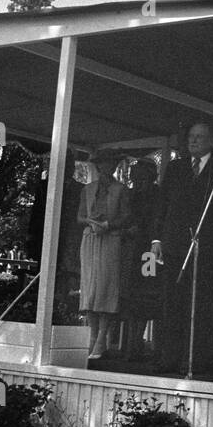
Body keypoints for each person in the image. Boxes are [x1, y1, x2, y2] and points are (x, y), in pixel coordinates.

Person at [149, 121, 213, 374]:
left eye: (199, 137)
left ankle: (198, 359)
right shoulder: (175, 169)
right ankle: (169, 358)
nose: (194, 141)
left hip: (207, 248)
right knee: (172, 302)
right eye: (191, 137)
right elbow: (162, 206)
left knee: (202, 306)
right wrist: (157, 240)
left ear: (210, 140)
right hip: (175, 245)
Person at [77, 149, 131, 360]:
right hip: (90, 238)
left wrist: (108, 225)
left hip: (111, 239)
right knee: (90, 287)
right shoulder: (88, 189)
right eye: (103, 164)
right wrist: (91, 222)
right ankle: (91, 335)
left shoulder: (121, 189)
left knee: (106, 287)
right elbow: (79, 216)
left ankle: (102, 338)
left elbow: (127, 217)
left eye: (110, 164)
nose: (106, 168)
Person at [122, 158, 162, 362]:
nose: (137, 182)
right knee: (129, 295)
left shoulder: (157, 195)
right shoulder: (131, 195)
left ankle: (137, 344)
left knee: (146, 295)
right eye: (135, 179)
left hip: (149, 253)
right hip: (130, 252)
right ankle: (129, 344)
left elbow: (156, 222)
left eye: (141, 178)